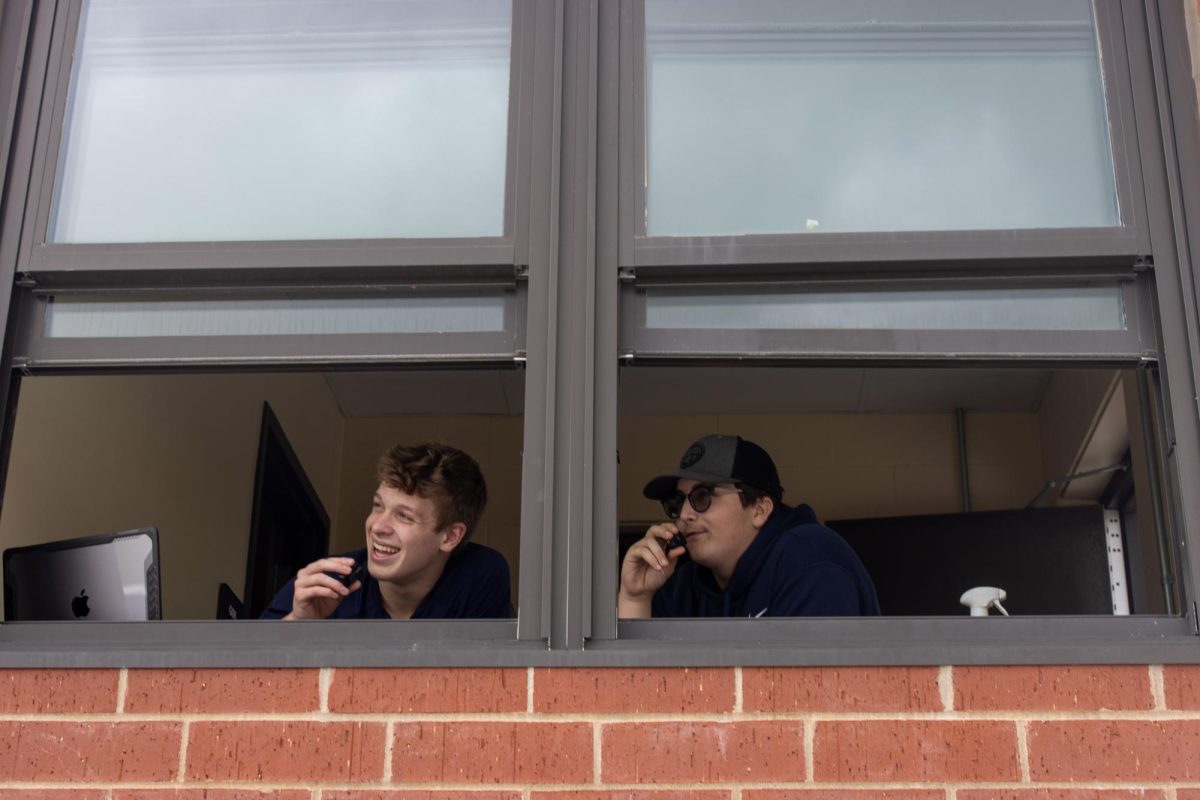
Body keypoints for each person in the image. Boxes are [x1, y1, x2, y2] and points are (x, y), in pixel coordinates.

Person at [619, 433, 879, 618]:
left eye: (703, 497)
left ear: (759, 510)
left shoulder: (810, 557)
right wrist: (636, 597)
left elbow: (810, 691)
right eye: (677, 502)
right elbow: (634, 690)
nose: (685, 514)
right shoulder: (687, 584)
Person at [261, 442, 511, 620]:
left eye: (404, 516)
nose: (378, 526)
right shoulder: (331, 580)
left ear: (450, 537)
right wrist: (300, 623)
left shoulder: (479, 574)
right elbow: (249, 680)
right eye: (378, 506)